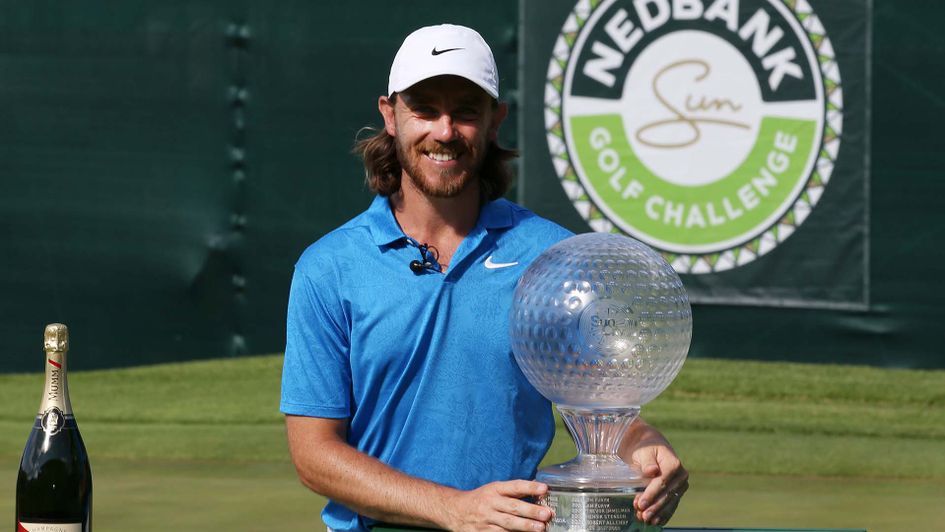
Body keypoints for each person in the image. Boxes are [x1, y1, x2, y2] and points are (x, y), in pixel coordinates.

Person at [280, 24, 689, 532]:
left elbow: (594, 404)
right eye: (425, 109)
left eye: (466, 112)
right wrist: (452, 508)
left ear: (496, 120)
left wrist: (642, 443)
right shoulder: (328, 268)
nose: (445, 131)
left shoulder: (552, 257)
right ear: (390, 115)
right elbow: (314, 455)